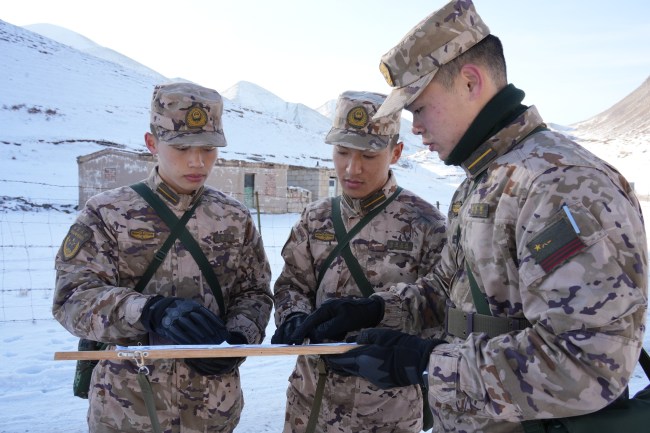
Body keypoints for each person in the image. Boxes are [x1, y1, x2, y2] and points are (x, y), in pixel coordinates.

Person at [296, 1, 648, 432]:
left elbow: (587, 364)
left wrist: (426, 364)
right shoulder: (486, 180)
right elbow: (449, 290)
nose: (415, 126)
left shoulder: (562, 185)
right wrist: (372, 311)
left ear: (469, 82)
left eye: (419, 108)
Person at [53, 82, 273, 433]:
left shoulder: (234, 218)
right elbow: (72, 298)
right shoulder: (107, 213)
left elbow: (255, 292)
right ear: (152, 142)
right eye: (182, 146)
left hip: (212, 409)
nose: (197, 161)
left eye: (208, 149)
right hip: (127, 410)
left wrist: (240, 337)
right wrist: (149, 311)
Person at [271, 90, 448, 433]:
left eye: (368, 154)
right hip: (310, 404)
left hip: (387, 411)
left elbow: (442, 308)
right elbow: (292, 284)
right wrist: (294, 316)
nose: (352, 168)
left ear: (395, 152)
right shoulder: (315, 218)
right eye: (342, 152)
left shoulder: (428, 224)